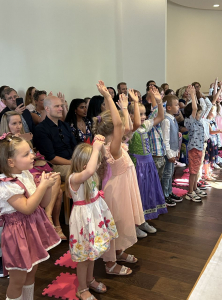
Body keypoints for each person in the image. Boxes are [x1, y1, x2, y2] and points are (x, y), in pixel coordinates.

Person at [0, 133, 61, 300]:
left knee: (31, 272)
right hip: (17, 235)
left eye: (31, 151)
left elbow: (41, 204)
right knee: (17, 280)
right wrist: (42, 187)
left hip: (31, 229)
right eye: (26, 154)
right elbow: (27, 208)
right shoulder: (7, 185)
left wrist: (47, 187)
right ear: (10, 162)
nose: (33, 155)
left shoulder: (25, 173)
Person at [93, 80, 144, 276]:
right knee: (115, 225)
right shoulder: (112, 149)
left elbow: (134, 124)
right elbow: (118, 123)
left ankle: (119, 252)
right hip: (116, 193)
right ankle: (110, 264)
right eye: (120, 127)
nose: (123, 128)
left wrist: (125, 107)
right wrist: (108, 97)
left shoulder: (118, 143)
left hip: (124, 189)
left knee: (122, 223)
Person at [66, 139, 118, 300]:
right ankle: (82, 288)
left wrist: (100, 147)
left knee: (92, 253)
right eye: (94, 162)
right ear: (84, 165)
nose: (97, 164)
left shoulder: (91, 175)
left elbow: (105, 161)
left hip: (94, 219)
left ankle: (90, 280)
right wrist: (95, 149)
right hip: (83, 222)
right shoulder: (75, 178)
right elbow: (89, 171)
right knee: (84, 257)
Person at [128, 86, 168, 236]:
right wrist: (133, 103)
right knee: (137, 194)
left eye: (144, 113)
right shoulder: (130, 129)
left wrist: (159, 103)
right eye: (140, 114)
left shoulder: (145, 126)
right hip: (137, 165)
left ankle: (143, 220)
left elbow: (160, 117)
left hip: (148, 163)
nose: (144, 117)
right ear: (130, 116)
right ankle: (134, 224)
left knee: (146, 193)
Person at [33, 96, 78, 181]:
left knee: (94, 167)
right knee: (82, 174)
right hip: (57, 166)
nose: (61, 108)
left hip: (72, 160)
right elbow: (51, 158)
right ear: (47, 109)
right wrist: (73, 163)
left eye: (61, 106)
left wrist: (80, 160)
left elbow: (75, 146)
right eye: (57, 106)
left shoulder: (64, 125)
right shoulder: (41, 129)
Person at [184, 86, 207, 202]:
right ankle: (190, 192)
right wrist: (192, 96)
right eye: (198, 112)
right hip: (193, 149)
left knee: (196, 171)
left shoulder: (198, 122)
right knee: (193, 171)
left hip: (199, 148)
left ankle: (194, 188)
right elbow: (194, 109)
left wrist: (196, 96)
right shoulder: (190, 121)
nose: (199, 114)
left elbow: (199, 108)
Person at [161, 94, 183, 206]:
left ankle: (169, 192)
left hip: (172, 152)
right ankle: (165, 195)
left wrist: (176, 152)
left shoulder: (173, 118)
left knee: (170, 173)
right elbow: (165, 140)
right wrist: (169, 154)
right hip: (167, 153)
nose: (178, 107)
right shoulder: (166, 120)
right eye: (176, 105)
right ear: (169, 107)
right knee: (167, 174)